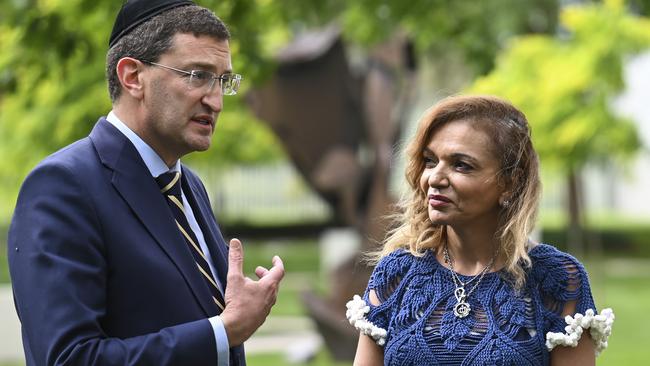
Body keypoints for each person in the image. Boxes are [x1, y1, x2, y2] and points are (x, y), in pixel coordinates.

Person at [8, 0, 284, 365]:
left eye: (223, 80)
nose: (216, 101)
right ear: (133, 77)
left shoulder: (188, 185)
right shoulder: (63, 187)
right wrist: (224, 331)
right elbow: (68, 358)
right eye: (197, 75)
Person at [345, 95, 614, 365]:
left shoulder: (555, 279)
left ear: (510, 183)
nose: (435, 178)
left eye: (461, 165)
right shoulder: (397, 273)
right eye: (429, 161)